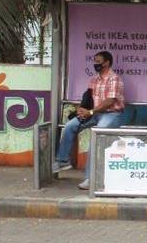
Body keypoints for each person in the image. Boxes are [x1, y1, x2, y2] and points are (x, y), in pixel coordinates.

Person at [54, 51, 126, 190]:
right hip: (93, 113)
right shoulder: (94, 79)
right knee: (70, 126)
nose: (96, 64)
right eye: (95, 61)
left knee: (95, 137)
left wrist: (91, 112)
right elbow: (88, 99)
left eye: (99, 61)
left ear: (107, 62)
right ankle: (63, 160)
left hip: (111, 114)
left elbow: (110, 101)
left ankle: (90, 179)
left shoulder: (114, 78)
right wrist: (81, 110)